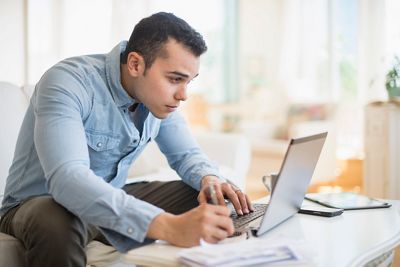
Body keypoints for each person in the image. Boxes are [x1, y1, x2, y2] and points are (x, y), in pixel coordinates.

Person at [0, 12, 253, 267]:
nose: (183, 94)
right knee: (54, 217)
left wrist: (208, 178)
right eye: (175, 79)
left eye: (189, 81)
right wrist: (167, 226)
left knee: (208, 197)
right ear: (135, 64)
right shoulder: (68, 82)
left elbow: (186, 155)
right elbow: (67, 179)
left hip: (109, 197)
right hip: (39, 205)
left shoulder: (158, 99)